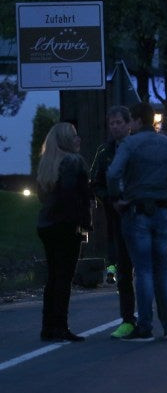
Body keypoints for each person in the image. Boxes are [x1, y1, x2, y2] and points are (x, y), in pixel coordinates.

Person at [107, 102, 167, 341]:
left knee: (142, 271)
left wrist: (118, 197)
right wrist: (163, 184)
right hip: (162, 211)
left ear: (135, 121)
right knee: (162, 270)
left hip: (136, 211)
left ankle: (144, 326)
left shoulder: (129, 144)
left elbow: (113, 174)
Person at [36, 122, 92, 342]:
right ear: (67, 140)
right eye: (74, 136)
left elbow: (43, 196)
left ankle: (48, 326)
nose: (78, 139)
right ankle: (61, 325)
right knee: (64, 277)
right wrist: (84, 222)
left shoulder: (47, 163)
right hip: (66, 225)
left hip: (47, 224)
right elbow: (73, 196)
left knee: (53, 277)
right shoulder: (73, 162)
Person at [90, 105, 137, 339]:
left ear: (129, 124)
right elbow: (95, 181)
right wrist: (110, 199)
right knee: (124, 270)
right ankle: (128, 318)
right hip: (116, 218)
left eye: (119, 122)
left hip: (141, 215)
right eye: (112, 123)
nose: (116, 126)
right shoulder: (104, 151)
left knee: (150, 269)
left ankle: (162, 319)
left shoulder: (139, 146)